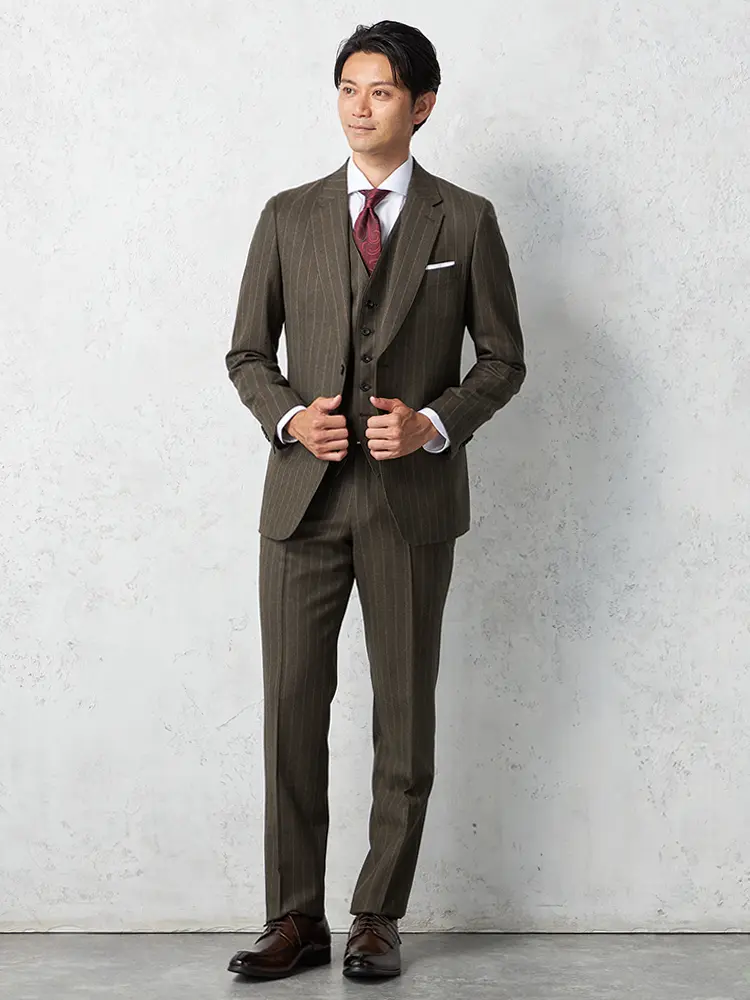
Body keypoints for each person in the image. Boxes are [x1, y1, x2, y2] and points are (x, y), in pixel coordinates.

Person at [224, 19, 525, 981]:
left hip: (410, 504)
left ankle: (376, 916)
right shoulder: (286, 215)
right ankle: (293, 916)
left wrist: (434, 422)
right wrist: (288, 418)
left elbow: (503, 360)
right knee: (290, 708)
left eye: (382, 91)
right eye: (348, 88)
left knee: (403, 712)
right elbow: (247, 354)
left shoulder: (463, 220)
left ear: (422, 105)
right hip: (302, 505)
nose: (360, 108)